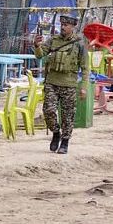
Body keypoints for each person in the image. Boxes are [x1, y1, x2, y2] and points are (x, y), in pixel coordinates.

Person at [34, 15, 89, 154]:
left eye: (66, 25)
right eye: (62, 24)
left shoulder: (79, 43)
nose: (63, 27)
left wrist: (84, 87)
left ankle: (65, 141)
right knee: (49, 110)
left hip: (69, 84)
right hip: (52, 82)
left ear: (73, 27)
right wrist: (37, 46)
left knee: (68, 115)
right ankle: (55, 133)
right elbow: (40, 55)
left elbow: (85, 68)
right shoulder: (53, 40)